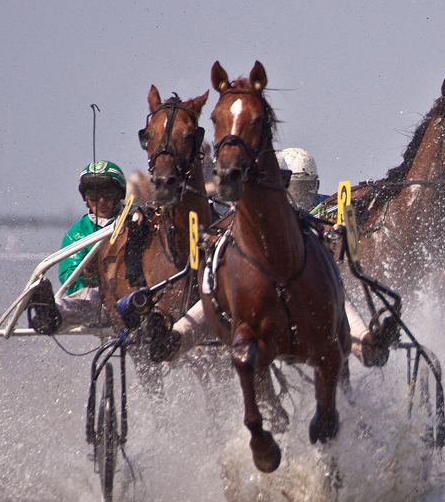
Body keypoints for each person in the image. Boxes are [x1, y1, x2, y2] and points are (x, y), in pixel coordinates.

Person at [160, 148, 394, 366]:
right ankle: (173, 340)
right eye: (294, 187)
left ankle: (366, 345)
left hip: (304, 284)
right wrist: (208, 237)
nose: (298, 194)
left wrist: (336, 231)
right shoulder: (247, 210)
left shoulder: (313, 213)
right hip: (253, 288)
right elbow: (223, 227)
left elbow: (328, 230)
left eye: (304, 188)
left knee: (337, 300)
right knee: (212, 298)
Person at [27, 161, 127, 335]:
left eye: (108, 193)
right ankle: (50, 314)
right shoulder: (77, 234)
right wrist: (89, 271)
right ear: (86, 198)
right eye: (94, 194)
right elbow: (71, 283)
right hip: (101, 302)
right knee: (86, 298)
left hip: (138, 296)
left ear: (119, 194)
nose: (101, 201)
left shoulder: (136, 217)